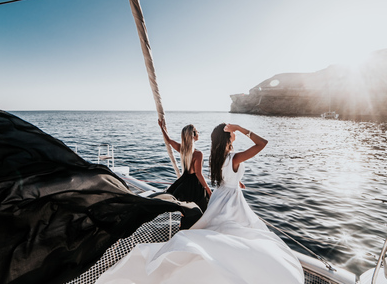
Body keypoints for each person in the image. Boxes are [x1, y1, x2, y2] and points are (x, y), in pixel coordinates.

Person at [96, 123, 304, 284]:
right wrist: (241, 127)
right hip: (230, 200)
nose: (235, 133)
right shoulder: (231, 157)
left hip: (219, 196)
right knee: (235, 234)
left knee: (215, 230)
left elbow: (221, 175)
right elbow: (262, 143)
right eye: (232, 131)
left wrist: (234, 179)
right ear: (227, 136)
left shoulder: (217, 156)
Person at [158, 119, 212, 213]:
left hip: (184, 182)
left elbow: (169, 140)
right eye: (197, 131)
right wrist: (208, 189)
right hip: (194, 185)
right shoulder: (198, 154)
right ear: (193, 135)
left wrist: (162, 128)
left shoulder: (182, 150)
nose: (198, 133)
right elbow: (198, 174)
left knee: (185, 211)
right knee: (202, 209)